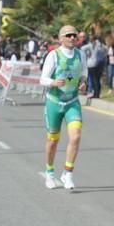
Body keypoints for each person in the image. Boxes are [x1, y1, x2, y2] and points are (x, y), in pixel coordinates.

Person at [39, 25, 88, 190]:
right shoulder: (54, 55)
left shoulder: (80, 55)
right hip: (54, 102)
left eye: (74, 35)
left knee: (75, 137)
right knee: (53, 140)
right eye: (68, 35)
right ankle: (50, 172)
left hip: (72, 102)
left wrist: (82, 84)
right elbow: (42, 78)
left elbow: (84, 74)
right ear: (61, 39)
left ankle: (67, 174)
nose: (72, 38)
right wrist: (52, 82)